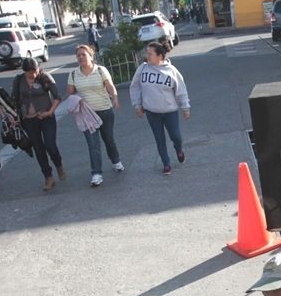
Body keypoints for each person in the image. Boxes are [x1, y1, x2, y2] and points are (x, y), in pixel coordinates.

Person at [129, 40, 190, 175]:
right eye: (147, 54)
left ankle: (179, 149)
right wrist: (137, 105)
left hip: (170, 111)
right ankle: (166, 163)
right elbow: (135, 87)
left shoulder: (171, 71)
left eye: (150, 54)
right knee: (159, 138)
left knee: (176, 137)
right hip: (152, 112)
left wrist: (185, 107)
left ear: (160, 56)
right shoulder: (143, 68)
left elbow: (181, 90)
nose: (148, 56)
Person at [67, 44, 123, 187]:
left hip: (104, 110)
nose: (81, 57)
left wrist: (115, 97)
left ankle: (115, 160)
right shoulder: (73, 74)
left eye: (83, 54)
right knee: (93, 145)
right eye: (78, 55)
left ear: (91, 56)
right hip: (87, 114)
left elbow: (110, 86)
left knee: (108, 139)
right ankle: (96, 173)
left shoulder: (100, 70)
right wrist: (76, 101)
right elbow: (70, 93)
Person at [11, 57, 65, 191]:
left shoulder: (45, 77)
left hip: (46, 117)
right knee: (38, 148)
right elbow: (13, 99)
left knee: (50, 145)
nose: (33, 75)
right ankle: (48, 176)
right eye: (29, 72)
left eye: (34, 71)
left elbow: (57, 96)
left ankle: (58, 164)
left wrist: (50, 112)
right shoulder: (19, 80)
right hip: (28, 119)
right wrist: (13, 116)